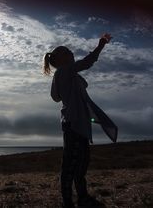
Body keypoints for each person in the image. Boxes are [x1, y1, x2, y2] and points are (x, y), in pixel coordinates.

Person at [43, 33, 118, 208]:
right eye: (67, 52)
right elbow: (87, 62)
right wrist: (100, 46)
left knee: (81, 164)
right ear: (60, 59)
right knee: (71, 165)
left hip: (77, 124)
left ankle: (82, 198)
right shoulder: (64, 71)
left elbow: (55, 97)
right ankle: (68, 201)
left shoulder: (66, 75)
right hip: (73, 124)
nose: (71, 52)